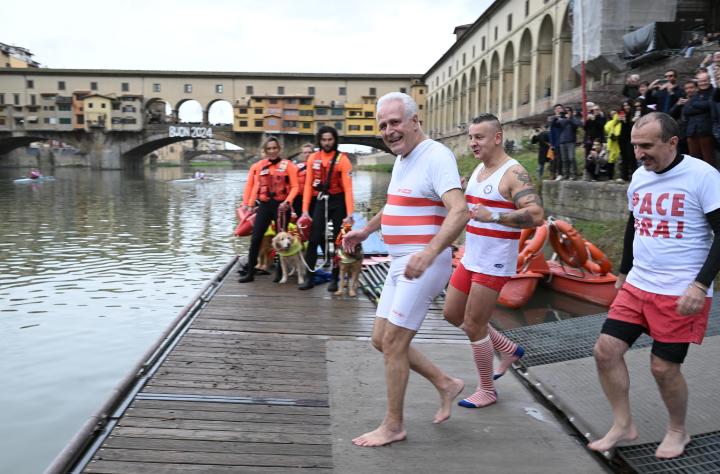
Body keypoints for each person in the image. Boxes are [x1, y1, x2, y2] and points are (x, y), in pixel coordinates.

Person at [588, 112, 720, 459]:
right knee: (605, 351)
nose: (638, 153)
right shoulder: (639, 176)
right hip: (639, 284)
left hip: (680, 291)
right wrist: (624, 271)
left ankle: (678, 430)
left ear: (672, 142)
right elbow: (635, 222)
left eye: (646, 146)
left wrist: (700, 284)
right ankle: (622, 423)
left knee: (663, 367)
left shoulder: (702, 176)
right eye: (634, 146)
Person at [342, 92, 467, 447]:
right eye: (382, 125)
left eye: (395, 122)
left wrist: (428, 253)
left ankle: (394, 425)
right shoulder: (403, 158)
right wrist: (366, 230)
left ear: (415, 121)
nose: (388, 130)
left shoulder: (435, 156)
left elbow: (459, 210)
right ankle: (446, 383)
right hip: (400, 262)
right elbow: (396, 204)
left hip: (423, 263)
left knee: (395, 342)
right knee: (381, 340)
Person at [443, 113, 544, 409]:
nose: (473, 143)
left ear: (497, 138)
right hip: (472, 257)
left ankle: (487, 390)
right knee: (451, 314)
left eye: (479, 137)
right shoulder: (479, 169)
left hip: (494, 262)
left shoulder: (513, 173)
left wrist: (496, 215)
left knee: (475, 325)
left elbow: (536, 216)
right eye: (471, 137)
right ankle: (508, 349)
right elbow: (473, 211)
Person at [298, 126, 354, 291]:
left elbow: (349, 189)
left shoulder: (343, 160)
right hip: (321, 201)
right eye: (324, 140)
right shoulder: (313, 158)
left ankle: (335, 279)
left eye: (330, 139)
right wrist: (305, 211)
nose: (327, 143)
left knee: (338, 241)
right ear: (320, 141)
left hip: (339, 203)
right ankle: (310, 277)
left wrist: (350, 214)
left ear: (335, 140)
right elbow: (308, 185)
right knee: (314, 239)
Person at [238, 136, 299, 283]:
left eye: (275, 148)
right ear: (265, 151)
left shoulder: (289, 165)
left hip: (281, 207)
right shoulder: (259, 166)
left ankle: (279, 272)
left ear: (279, 149)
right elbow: (252, 186)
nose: (272, 151)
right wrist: (248, 203)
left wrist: (287, 201)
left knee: (282, 240)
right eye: (269, 149)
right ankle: (250, 272)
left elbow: (295, 187)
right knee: (256, 239)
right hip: (265, 206)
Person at [683, 72, 716, 167]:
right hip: (692, 133)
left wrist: (694, 103)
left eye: (705, 80)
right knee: (695, 163)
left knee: (709, 162)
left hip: (706, 132)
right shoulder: (696, 94)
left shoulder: (714, 92)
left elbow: (710, 105)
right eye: (701, 81)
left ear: (709, 80)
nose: (703, 83)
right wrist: (701, 106)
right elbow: (686, 110)